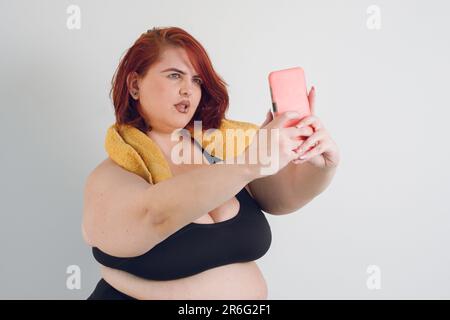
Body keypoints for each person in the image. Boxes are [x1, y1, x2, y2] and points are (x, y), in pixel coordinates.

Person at [82, 26, 340, 300]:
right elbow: (153, 215)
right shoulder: (110, 175)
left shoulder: (219, 152)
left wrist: (320, 165)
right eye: (174, 76)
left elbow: (280, 197)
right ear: (134, 85)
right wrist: (250, 163)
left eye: (196, 81)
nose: (188, 90)